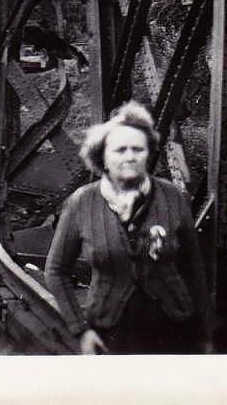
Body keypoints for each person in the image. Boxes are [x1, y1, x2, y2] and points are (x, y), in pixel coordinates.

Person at [44, 101, 213, 354]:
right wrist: (80, 329)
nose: (130, 157)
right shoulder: (82, 201)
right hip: (109, 330)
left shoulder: (172, 196)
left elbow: (194, 267)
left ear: (149, 153)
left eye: (138, 149)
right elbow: (56, 271)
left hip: (175, 326)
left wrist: (204, 332)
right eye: (120, 150)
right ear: (103, 156)